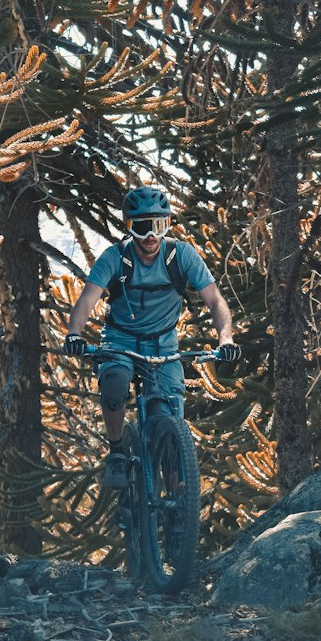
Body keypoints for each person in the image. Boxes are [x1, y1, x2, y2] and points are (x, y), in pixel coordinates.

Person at [63, 186, 240, 487]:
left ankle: (176, 503)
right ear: (130, 227)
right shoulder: (115, 258)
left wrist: (226, 339)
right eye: (142, 227)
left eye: (159, 225)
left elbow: (215, 300)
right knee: (115, 385)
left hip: (164, 344)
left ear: (167, 224)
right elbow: (87, 299)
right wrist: (74, 334)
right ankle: (118, 452)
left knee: (168, 420)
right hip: (120, 340)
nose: (150, 235)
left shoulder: (181, 255)